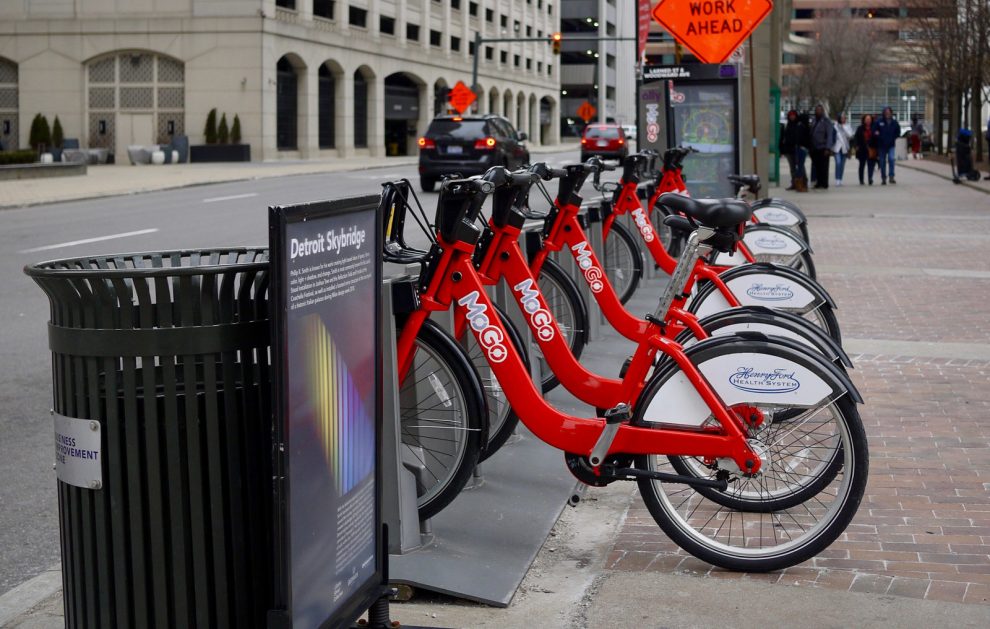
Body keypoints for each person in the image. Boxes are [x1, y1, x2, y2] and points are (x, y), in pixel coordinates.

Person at [779, 109, 809, 191]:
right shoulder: (788, 125)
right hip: (789, 150)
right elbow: (784, 137)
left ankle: (803, 182)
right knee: (792, 168)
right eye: (790, 115)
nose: (792, 117)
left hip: (797, 149)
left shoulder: (799, 125)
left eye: (793, 115)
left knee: (800, 167)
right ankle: (794, 183)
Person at [810, 104, 835, 189]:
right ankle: (818, 182)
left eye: (820, 110)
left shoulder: (826, 121)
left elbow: (829, 135)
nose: (818, 111)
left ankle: (824, 183)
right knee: (817, 166)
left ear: (823, 111)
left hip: (823, 147)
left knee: (824, 167)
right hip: (814, 147)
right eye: (817, 110)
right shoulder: (813, 120)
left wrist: (828, 148)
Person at [874, 106, 901, 184]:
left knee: (891, 159)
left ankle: (891, 176)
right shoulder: (879, 122)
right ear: (883, 113)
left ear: (891, 113)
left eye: (889, 112)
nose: (887, 114)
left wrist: (894, 137)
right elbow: (874, 130)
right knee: (882, 162)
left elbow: (898, 132)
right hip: (881, 145)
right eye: (886, 112)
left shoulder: (894, 122)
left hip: (891, 145)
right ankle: (883, 177)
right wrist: (877, 134)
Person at [853, 113, 879, 185]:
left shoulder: (874, 127)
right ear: (864, 120)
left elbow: (877, 137)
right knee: (862, 165)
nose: (868, 121)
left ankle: (870, 178)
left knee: (871, 165)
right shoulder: (860, 128)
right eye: (866, 119)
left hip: (872, 148)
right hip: (862, 148)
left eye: (869, 119)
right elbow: (856, 138)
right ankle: (861, 180)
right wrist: (856, 146)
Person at [832, 113, 853, 186]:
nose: (844, 119)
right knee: (838, 163)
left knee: (842, 165)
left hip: (845, 148)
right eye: (842, 118)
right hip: (837, 148)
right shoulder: (835, 126)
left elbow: (850, 135)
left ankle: (840, 179)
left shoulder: (848, 126)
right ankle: (837, 179)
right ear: (839, 118)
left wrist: (843, 128)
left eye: (844, 118)